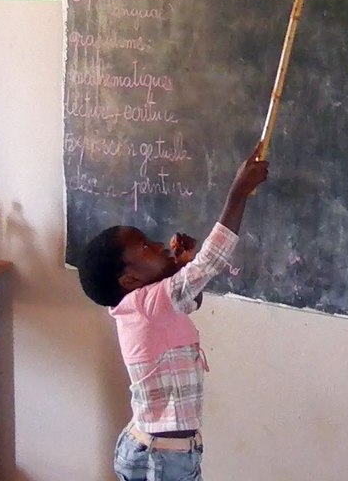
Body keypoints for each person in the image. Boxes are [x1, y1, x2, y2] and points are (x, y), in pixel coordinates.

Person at [73, 144, 269, 481]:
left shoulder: (135, 306)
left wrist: (181, 265)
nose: (160, 245)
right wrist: (238, 194)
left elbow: (191, 300)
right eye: (147, 247)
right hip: (165, 459)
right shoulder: (149, 305)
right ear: (130, 279)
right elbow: (212, 262)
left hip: (144, 446)